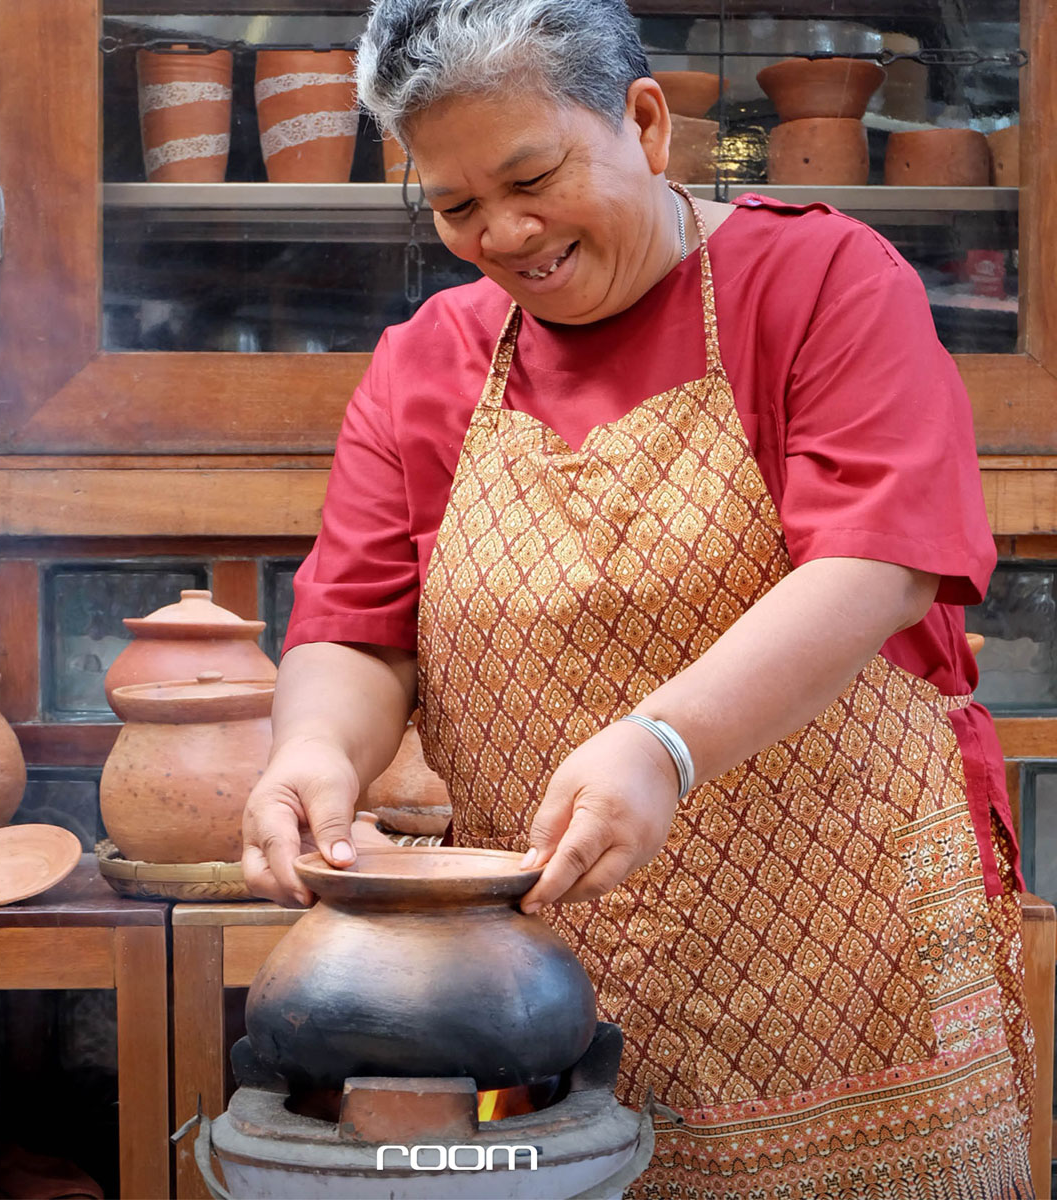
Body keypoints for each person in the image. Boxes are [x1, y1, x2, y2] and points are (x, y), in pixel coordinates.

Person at [242, 1, 1035, 1193]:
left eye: (533, 177)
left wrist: (665, 743)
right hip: (535, 984)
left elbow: (875, 561)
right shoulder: (428, 359)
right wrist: (313, 753)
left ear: (648, 123)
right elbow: (358, 627)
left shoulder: (819, 280)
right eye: (456, 207)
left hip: (849, 952)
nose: (506, 233)